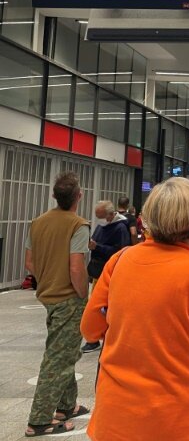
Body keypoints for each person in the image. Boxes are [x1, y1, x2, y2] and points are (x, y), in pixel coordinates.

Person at [80, 177, 189, 441]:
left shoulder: (119, 261)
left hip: (115, 418)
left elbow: (90, 329)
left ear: (147, 218)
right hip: (177, 421)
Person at [23, 172, 90, 437]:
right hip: (69, 299)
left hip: (48, 297)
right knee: (57, 360)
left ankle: (67, 406)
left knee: (65, 351)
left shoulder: (38, 223)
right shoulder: (78, 225)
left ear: (54, 195)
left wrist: (48, 278)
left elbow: (29, 262)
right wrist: (83, 293)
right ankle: (38, 420)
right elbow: (76, 267)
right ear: (79, 196)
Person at [82, 200, 131, 354]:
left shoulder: (121, 228)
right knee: (96, 304)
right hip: (97, 270)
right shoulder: (101, 226)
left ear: (110, 215)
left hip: (110, 272)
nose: (99, 219)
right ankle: (94, 338)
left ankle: (97, 338)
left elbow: (121, 251)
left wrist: (99, 247)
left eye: (101, 216)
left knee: (100, 306)